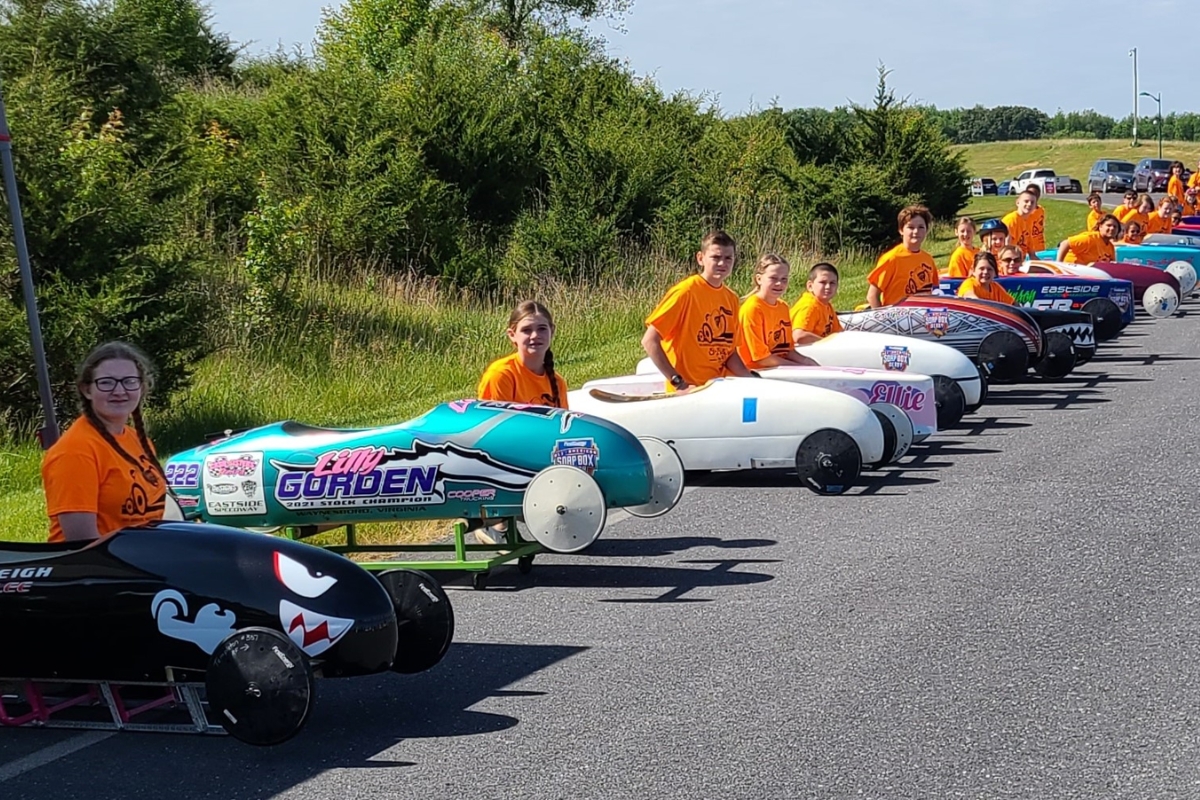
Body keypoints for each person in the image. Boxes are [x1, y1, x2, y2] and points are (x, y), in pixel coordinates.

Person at [41, 341, 167, 543]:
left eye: (129, 381)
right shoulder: (75, 451)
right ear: (87, 390)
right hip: (94, 570)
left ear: (142, 388)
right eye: (107, 382)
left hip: (142, 562)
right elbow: (81, 542)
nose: (119, 391)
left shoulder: (138, 441)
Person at [643, 229, 755, 391]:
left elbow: (729, 353)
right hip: (688, 391)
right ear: (700, 259)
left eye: (728, 258)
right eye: (716, 258)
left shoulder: (731, 298)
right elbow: (649, 341)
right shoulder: (685, 292)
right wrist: (678, 382)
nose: (722, 263)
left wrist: (750, 380)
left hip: (716, 387)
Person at [478, 300, 568, 408]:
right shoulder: (502, 375)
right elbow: (496, 422)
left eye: (542, 329)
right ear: (512, 335)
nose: (535, 335)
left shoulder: (558, 383)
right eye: (526, 330)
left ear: (552, 331)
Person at [735, 254, 818, 369]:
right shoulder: (752, 309)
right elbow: (761, 358)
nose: (779, 284)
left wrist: (807, 361)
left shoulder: (783, 307)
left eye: (784, 279)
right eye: (773, 278)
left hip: (778, 366)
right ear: (759, 279)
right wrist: (798, 367)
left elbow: (787, 350)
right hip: (756, 371)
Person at [866, 205, 937, 308]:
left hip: (922, 318)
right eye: (911, 227)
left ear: (926, 230)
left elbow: (933, 290)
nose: (916, 231)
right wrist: (885, 321)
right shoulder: (892, 258)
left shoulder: (928, 259)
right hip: (897, 320)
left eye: (921, 227)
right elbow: (872, 296)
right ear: (901, 230)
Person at [792, 262, 844, 345]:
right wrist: (828, 343)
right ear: (810, 286)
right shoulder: (809, 306)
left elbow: (839, 332)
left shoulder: (826, 305)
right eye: (823, 282)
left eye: (832, 283)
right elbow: (799, 336)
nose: (828, 287)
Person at [1056, 214, 1120, 264]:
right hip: (1071, 272)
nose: (1112, 228)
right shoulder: (1090, 239)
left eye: (1115, 226)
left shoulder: (1110, 247)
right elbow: (1065, 243)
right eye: (1108, 225)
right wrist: (1059, 265)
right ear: (1100, 226)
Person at [1001, 190, 1038, 254]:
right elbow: (1006, 248)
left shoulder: (1030, 220)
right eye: (1026, 201)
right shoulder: (1011, 220)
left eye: (1032, 202)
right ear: (1018, 203)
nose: (1029, 204)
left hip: (1019, 258)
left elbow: (1031, 252)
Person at [1020, 183, 1047, 252]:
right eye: (1030, 193)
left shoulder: (1041, 210)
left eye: (1035, 194)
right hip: (1028, 246)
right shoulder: (1025, 212)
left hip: (1040, 245)